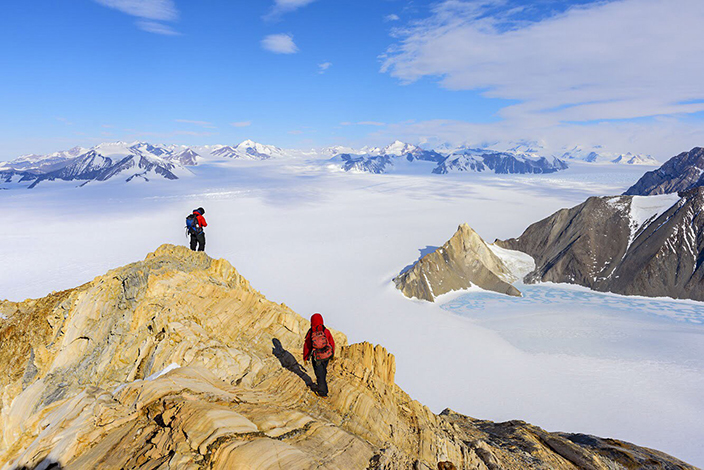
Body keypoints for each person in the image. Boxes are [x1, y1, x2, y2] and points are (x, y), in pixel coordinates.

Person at [303, 313, 335, 397]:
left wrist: (305, 357)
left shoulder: (311, 332)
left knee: (319, 374)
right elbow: (331, 342)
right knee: (323, 371)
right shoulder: (325, 330)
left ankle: (322, 392)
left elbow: (307, 345)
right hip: (326, 355)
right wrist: (332, 354)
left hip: (316, 356)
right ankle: (323, 387)